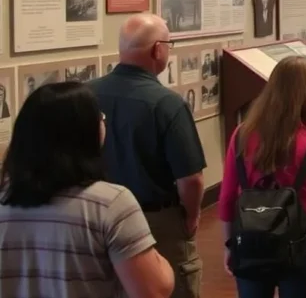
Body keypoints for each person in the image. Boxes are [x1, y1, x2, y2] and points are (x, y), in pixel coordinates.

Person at [0, 82, 175, 298]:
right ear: (84, 131)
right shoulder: (111, 203)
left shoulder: (4, 198)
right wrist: (161, 264)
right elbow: (154, 290)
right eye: (99, 117)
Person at [90, 13, 206, 298]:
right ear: (158, 49)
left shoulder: (85, 94)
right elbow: (191, 180)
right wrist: (191, 218)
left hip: (96, 218)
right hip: (155, 224)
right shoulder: (167, 104)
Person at [219, 57, 306, 298]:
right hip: (300, 242)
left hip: (251, 239)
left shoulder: (242, 135)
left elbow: (227, 197)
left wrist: (229, 245)